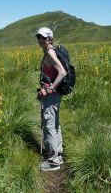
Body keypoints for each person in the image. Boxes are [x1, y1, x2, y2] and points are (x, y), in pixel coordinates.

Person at [36, 27, 67, 171]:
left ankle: (53, 161)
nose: (40, 40)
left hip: (51, 95)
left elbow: (62, 72)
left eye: (43, 37)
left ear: (50, 39)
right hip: (54, 94)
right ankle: (58, 154)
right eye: (38, 37)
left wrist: (49, 89)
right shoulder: (50, 51)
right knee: (54, 123)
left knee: (49, 122)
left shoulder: (50, 53)